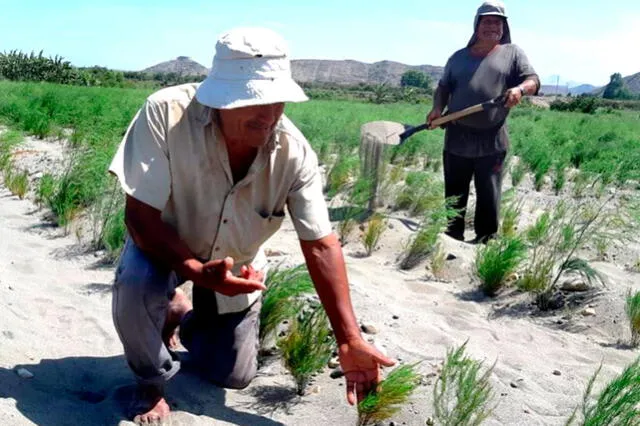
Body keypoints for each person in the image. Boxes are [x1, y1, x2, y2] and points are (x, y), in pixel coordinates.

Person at [108, 27, 394, 423]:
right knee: (138, 281)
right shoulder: (167, 114)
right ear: (220, 99)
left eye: (277, 100)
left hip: (234, 264)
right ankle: (152, 380)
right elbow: (139, 218)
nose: (270, 114)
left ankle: (180, 316)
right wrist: (191, 269)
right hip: (163, 245)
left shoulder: (293, 153)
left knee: (233, 374)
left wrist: (350, 339)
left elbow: (321, 245)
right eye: (254, 101)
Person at [426, 0, 540, 244]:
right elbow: (443, 87)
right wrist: (437, 107)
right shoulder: (457, 58)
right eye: (487, 21)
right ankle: (452, 235)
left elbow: (533, 80)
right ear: (477, 26)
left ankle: (485, 239)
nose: (492, 26)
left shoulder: (512, 53)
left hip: (492, 138)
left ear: (504, 26)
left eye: (497, 22)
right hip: (457, 136)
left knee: (489, 192)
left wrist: (519, 89)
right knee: (454, 193)